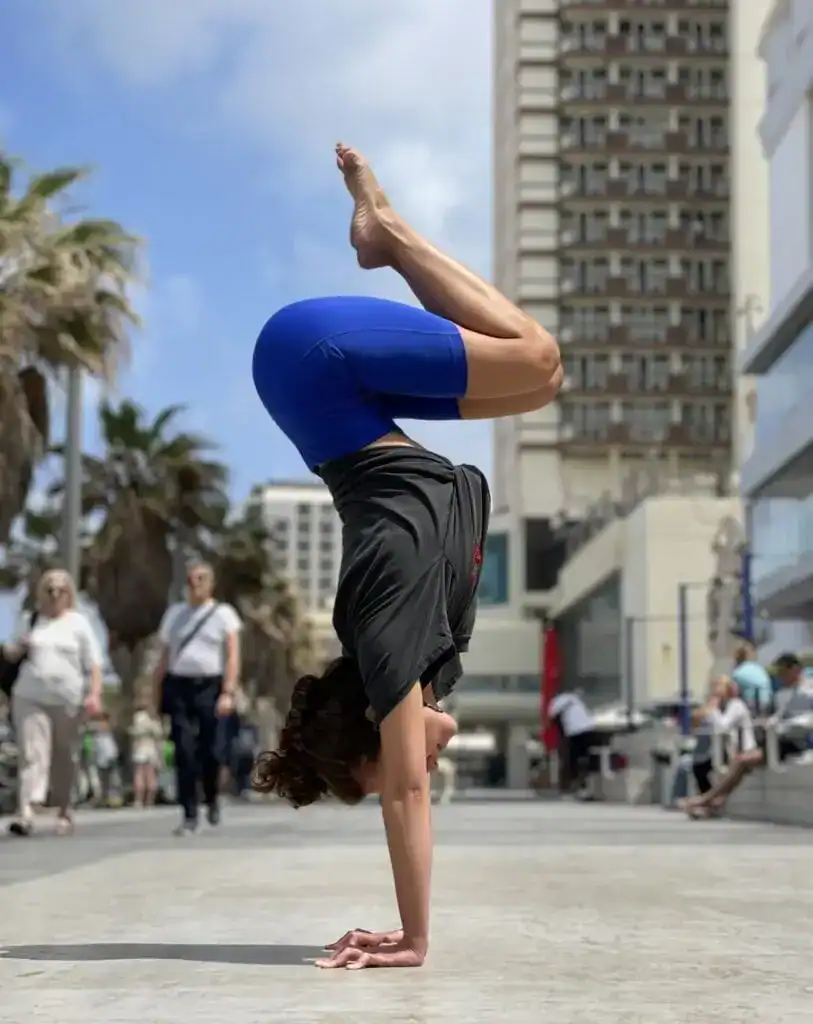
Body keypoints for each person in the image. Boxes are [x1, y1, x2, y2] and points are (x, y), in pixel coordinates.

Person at [250, 144, 561, 971]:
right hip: (340, 405)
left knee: (535, 358)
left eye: (381, 768)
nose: (408, 770)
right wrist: (420, 728)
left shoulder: (385, 639)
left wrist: (413, 938)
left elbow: (411, 795)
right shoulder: (423, 658)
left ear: (372, 730)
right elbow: (438, 730)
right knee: (536, 381)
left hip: (310, 363)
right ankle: (384, 239)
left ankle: (385, 228)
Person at [4, 569, 103, 836]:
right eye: (49, 589)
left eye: (60, 589)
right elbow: (12, 654)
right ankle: (26, 810)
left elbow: (94, 663)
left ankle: (64, 810)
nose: (54, 594)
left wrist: (94, 694)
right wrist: (16, 648)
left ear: (69, 594)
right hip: (30, 696)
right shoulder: (30, 620)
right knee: (31, 752)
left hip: (68, 700)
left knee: (66, 756)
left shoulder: (78, 623)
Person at [153, 561, 242, 835]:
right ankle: (189, 814)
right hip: (179, 687)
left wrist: (228, 691)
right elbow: (164, 657)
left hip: (211, 688)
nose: (196, 583)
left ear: (211, 583)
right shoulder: (175, 614)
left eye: (202, 578)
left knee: (211, 751)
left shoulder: (223, 614)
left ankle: (212, 797)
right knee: (183, 750)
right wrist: (154, 694)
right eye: (192, 578)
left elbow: (232, 655)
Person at [679, 675, 761, 819]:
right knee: (702, 766)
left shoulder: (736, 704)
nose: (715, 693)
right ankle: (709, 804)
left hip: (744, 750)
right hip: (728, 750)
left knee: (716, 768)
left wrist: (712, 711)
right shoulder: (725, 706)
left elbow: (722, 726)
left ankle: (706, 801)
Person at [546, 690, 600, 796]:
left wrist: (562, 735)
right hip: (587, 729)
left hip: (575, 732)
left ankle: (576, 786)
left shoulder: (559, 702)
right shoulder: (574, 700)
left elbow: (554, 718)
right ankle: (583, 785)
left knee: (572, 760)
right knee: (583, 758)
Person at [129, 701, 163, 807]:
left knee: (142, 774)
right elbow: (159, 734)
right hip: (149, 748)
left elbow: (136, 731)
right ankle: (148, 800)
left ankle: (140, 800)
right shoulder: (152, 720)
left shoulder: (140, 717)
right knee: (148, 775)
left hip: (143, 748)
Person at [731, 641, 772, 715]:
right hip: (766, 700)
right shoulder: (758, 667)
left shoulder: (737, 672)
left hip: (750, 703)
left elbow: (735, 692)